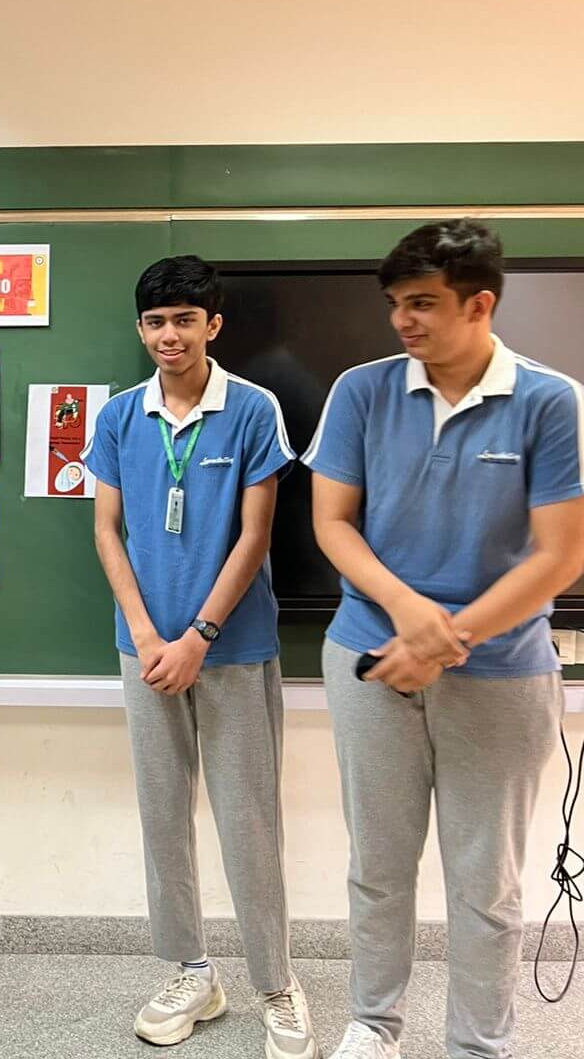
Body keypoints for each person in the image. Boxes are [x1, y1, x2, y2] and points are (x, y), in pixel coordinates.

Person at [304, 220, 584, 1059]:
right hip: (371, 655)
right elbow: (332, 521)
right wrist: (406, 611)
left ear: (480, 304)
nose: (403, 320)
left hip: (501, 673)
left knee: (485, 883)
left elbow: (561, 555)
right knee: (378, 867)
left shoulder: (550, 401)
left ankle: (479, 1045)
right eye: (397, 303)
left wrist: (446, 637)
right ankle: (373, 1025)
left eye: (423, 303)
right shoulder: (362, 391)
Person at [82, 257, 316, 1058]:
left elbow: (255, 536)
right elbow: (106, 531)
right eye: (155, 322)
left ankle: (276, 984)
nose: (169, 335)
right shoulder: (120, 416)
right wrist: (149, 637)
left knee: (249, 821)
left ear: (213, 324)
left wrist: (198, 638)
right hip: (146, 652)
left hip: (233, 648)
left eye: (185, 319)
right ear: (141, 329)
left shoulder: (252, 409)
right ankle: (192, 972)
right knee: (163, 817)